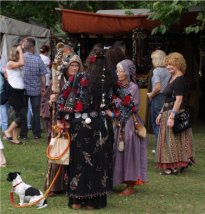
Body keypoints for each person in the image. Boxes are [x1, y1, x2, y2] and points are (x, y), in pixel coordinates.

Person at [57, 49, 114, 209]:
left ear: (89, 62)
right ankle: (93, 202)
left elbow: (62, 97)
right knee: (97, 163)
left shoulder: (77, 77)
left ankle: (76, 200)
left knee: (79, 162)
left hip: (79, 126)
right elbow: (126, 101)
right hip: (100, 125)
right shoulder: (109, 81)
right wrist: (114, 113)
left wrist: (63, 119)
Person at [44, 54, 83, 196]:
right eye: (72, 65)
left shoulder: (82, 82)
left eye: (76, 65)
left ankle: (70, 185)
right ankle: (53, 186)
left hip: (75, 122)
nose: (74, 68)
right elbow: (47, 100)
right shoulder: (59, 81)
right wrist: (51, 101)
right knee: (57, 151)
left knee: (73, 154)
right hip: (59, 122)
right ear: (67, 67)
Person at [107, 59, 148, 196]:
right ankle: (116, 180)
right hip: (118, 122)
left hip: (129, 123)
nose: (118, 73)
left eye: (120, 71)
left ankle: (130, 185)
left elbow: (130, 106)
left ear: (127, 73)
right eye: (117, 70)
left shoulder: (133, 87)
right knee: (116, 151)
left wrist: (112, 112)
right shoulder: (117, 86)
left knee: (129, 151)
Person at [155, 52, 195, 175]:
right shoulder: (173, 78)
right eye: (167, 65)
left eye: (171, 65)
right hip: (167, 112)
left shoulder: (179, 80)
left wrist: (171, 117)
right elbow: (168, 99)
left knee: (172, 142)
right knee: (171, 141)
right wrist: (161, 113)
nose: (168, 67)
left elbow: (179, 100)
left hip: (174, 114)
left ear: (178, 64)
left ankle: (172, 167)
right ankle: (174, 166)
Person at [20, 38, 47, 139]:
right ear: (32, 47)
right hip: (35, 89)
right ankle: (37, 134)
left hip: (23, 89)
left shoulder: (21, 58)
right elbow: (43, 76)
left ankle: (23, 135)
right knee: (36, 112)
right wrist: (43, 87)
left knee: (23, 111)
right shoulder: (38, 59)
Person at [147, 50, 171, 153]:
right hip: (167, 98)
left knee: (157, 123)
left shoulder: (156, 71)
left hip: (158, 98)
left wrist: (150, 94)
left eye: (153, 58)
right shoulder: (169, 70)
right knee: (164, 124)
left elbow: (157, 87)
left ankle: (159, 148)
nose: (152, 61)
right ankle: (165, 147)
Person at [4, 45, 26, 144]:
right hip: (14, 92)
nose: (21, 55)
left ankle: (14, 138)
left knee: (19, 115)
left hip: (20, 91)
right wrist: (20, 50)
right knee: (21, 115)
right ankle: (7, 131)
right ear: (15, 53)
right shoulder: (10, 63)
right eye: (18, 53)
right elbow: (22, 62)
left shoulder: (16, 66)